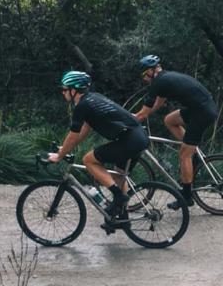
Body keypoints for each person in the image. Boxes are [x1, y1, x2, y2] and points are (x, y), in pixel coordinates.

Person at [46, 70, 149, 230]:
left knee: (88, 160)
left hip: (129, 140)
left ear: (75, 90)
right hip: (137, 137)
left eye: (65, 89)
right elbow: (83, 131)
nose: (63, 92)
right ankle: (122, 219)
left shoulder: (82, 106)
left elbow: (73, 135)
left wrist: (60, 156)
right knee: (119, 176)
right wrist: (65, 149)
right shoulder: (93, 99)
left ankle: (118, 196)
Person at [132, 54, 219, 210]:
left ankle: (186, 197)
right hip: (201, 108)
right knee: (169, 120)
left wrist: (133, 118)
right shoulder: (165, 79)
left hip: (202, 112)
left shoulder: (158, 82)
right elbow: (159, 102)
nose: (144, 79)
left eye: (144, 75)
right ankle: (193, 151)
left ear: (151, 71)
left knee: (184, 154)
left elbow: (143, 114)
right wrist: (142, 115)